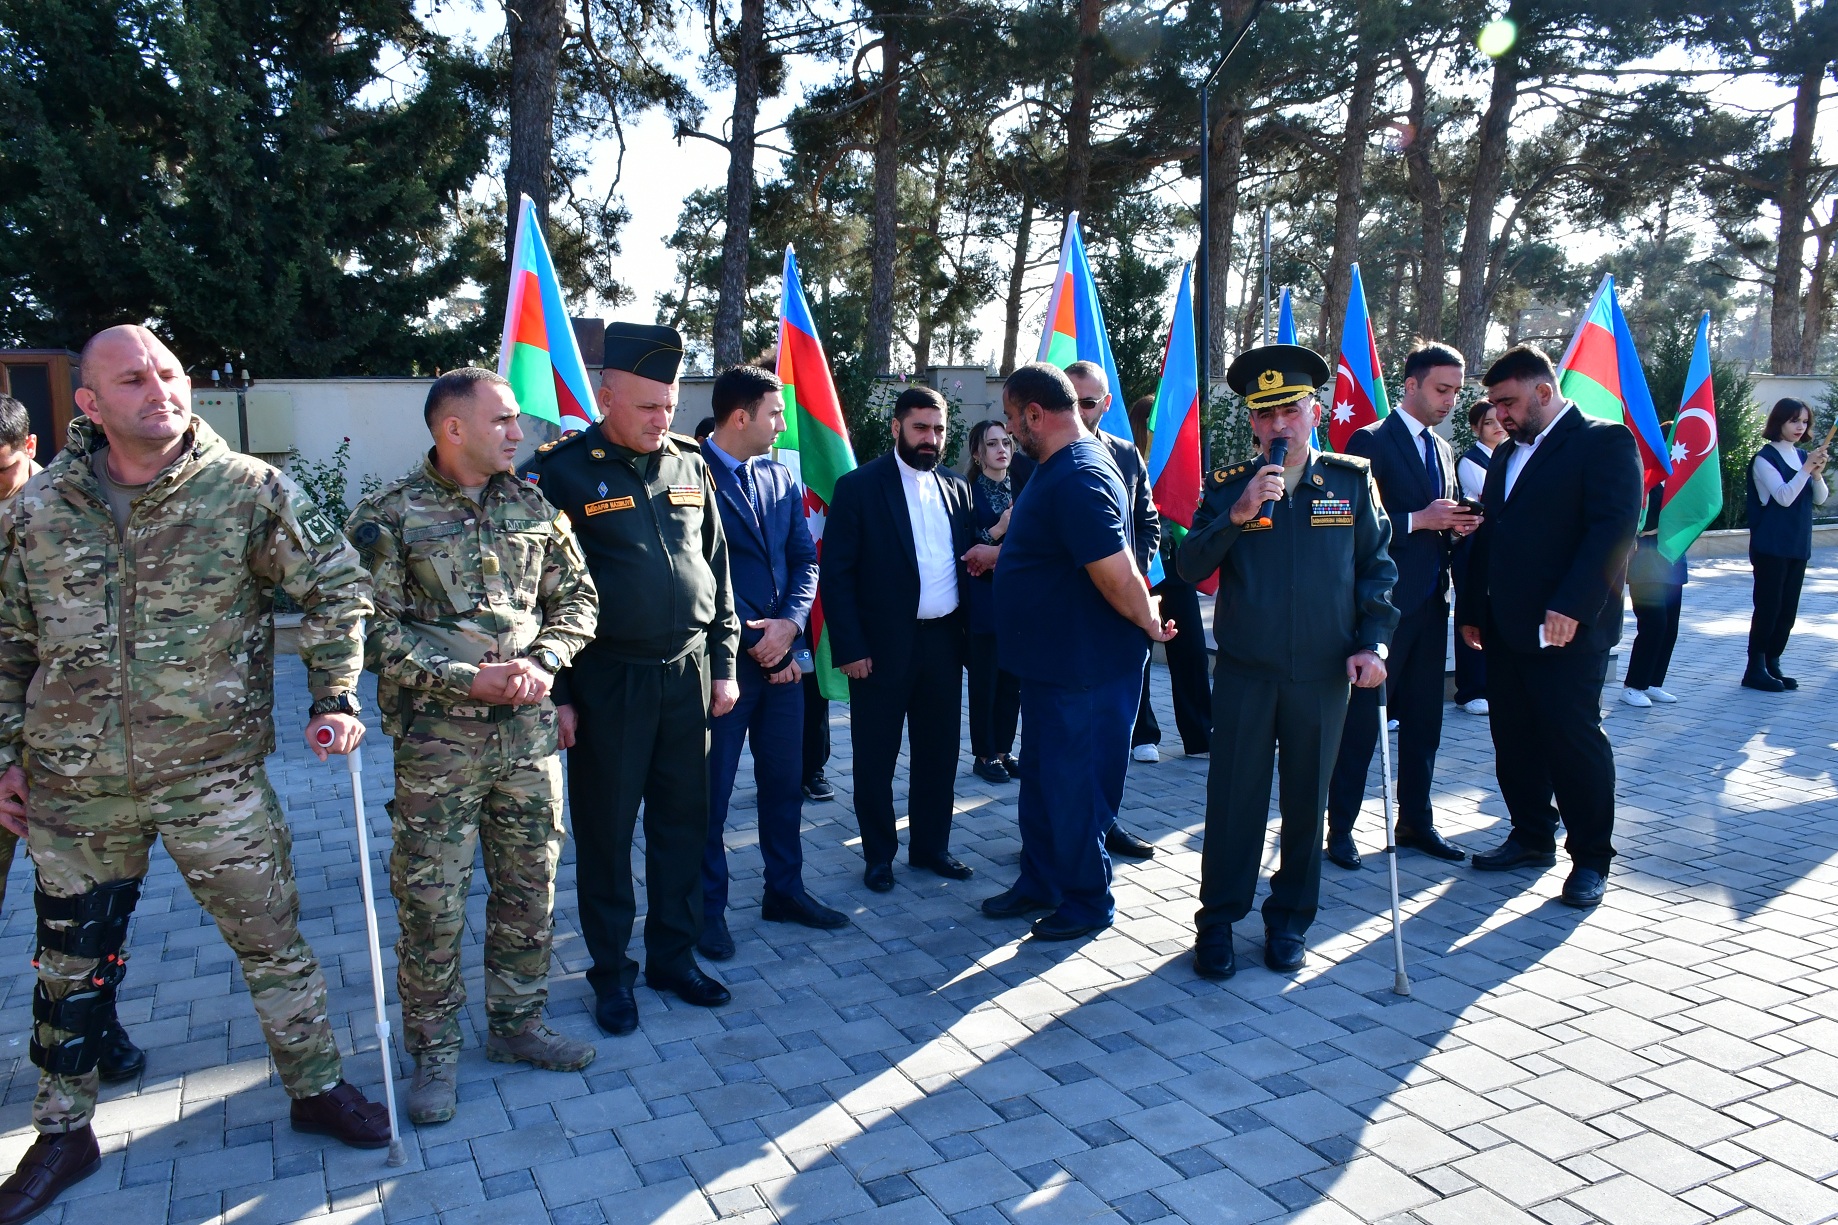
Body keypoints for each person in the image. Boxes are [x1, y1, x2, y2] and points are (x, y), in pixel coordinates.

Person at [0, 326, 391, 1221]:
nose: (161, 390)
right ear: (90, 404)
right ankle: (63, 1130)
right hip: (74, 784)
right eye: (133, 379)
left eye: (169, 372)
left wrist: (334, 693)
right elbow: (9, 640)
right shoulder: (37, 508)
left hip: (214, 778)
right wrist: (3, 757)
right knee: (69, 959)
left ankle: (315, 1085)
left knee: (271, 939)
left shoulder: (249, 489)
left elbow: (337, 585)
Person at [346, 368, 601, 1126]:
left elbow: (578, 598)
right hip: (439, 748)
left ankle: (517, 1024)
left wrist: (544, 661)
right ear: (452, 428)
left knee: (530, 887)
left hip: (528, 740)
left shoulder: (533, 505)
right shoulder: (389, 517)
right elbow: (363, 629)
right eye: (503, 421)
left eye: (516, 420)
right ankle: (434, 1052)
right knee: (432, 903)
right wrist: (464, 679)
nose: (518, 433)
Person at [527, 322, 741, 1036]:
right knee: (608, 833)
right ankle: (612, 974)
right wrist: (559, 694)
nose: (661, 419)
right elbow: (535, 596)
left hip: (687, 675)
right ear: (607, 396)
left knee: (683, 824)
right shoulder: (560, 472)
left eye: (670, 404)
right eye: (648, 405)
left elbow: (718, 569)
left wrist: (724, 663)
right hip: (608, 680)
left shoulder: (689, 463)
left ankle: (673, 958)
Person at [1177, 343, 1397, 980]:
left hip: (1324, 674)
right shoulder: (1228, 486)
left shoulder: (1351, 481)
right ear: (1251, 421)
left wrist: (1373, 642)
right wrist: (1239, 514)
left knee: (1306, 802)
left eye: (1291, 409)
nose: (1279, 424)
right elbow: (1189, 567)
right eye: (1265, 412)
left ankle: (1291, 920)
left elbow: (1377, 570)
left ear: (1315, 412)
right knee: (1234, 802)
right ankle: (1218, 921)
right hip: (1247, 672)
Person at [980, 364, 1176, 939]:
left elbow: (1116, 572)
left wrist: (1149, 620)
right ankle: (1041, 881)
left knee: (1077, 789)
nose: (1009, 430)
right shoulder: (1059, 466)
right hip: (1054, 667)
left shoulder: (1080, 475)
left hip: (1086, 669)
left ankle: (1088, 902)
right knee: (1044, 783)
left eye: (1012, 418)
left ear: (1035, 414)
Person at [1456, 344, 1642, 909]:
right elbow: (1492, 535)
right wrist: (1472, 609)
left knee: (1572, 741)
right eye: (1494, 404)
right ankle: (1531, 835)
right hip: (1505, 626)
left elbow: (1612, 531)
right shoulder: (1505, 454)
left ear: (1543, 391)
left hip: (1569, 628)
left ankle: (1591, 859)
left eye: (1509, 402)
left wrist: (1573, 606)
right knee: (1513, 737)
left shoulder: (1604, 441)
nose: (1500, 414)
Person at [0, 396, 145, 1093]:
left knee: (80, 915)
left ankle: (96, 1026)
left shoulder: (67, 511)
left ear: (28, 447)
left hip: (64, 753)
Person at [698, 365, 846, 961]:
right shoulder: (690, 474)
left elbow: (804, 560)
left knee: (784, 785)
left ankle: (784, 891)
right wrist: (752, 641)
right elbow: (694, 574)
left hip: (782, 660)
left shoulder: (779, 475)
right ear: (741, 417)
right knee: (710, 797)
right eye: (775, 413)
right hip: (722, 670)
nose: (782, 424)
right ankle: (706, 911)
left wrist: (789, 630)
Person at [1325, 343, 1477, 870]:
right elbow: (1348, 524)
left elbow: (1437, 522)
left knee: (1425, 723)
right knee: (1361, 725)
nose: (1450, 400)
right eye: (1442, 389)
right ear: (1410, 385)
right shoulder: (1370, 440)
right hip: (1382, 609)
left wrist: (1456, 525)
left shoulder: (1443, 448)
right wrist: (1417, 520)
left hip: (1432, 603)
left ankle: (1415, 821)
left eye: (1456, 391)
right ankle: (1340, 828)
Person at [819, 386, 977, 892]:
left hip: (944, 642)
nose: (931, 438)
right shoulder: (859, 487)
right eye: (920, 428)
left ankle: (931, 847)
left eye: (938, 429)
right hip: (879, 648)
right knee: (875, 757)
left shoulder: (957, 488)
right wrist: (850, 647)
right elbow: (836, 575)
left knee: (939, 753)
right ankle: (879, 856)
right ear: (896, 427)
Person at [1063, 361, 1159, 861]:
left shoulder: (1125, 454)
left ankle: (1105, 823)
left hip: (1120, 616)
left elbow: (1147, 521)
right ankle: (1057, 837)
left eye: (1089, 402)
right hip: (1066, 621)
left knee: (1113, 733)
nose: (1079, 410)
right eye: (1070, 399)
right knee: (1064, 739)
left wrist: (1128, 579)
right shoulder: (1036, 456)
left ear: (1105, 404)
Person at [1126, 395, 1212, 763]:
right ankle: (1142, 734)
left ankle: (1200, 733)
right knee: (1140, 651)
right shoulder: (1127, 462)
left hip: (1176, 566)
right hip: (1140, 568)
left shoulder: (1179, 463)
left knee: (1190, 649)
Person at [1741, 397, 1828, 692]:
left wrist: (1816, 473)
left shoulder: (1802, 456)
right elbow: (1784, 497)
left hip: (1797, 545)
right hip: (1771, 546)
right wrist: (1805, 469)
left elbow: (1820, 499)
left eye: (1804, 421)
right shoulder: (1764, 459)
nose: (1800, 427)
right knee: (1768, 607)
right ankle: (1755, 668)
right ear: (1779, 422)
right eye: (1794, 421)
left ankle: (1772, 661)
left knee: (1787, 611)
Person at [966, 418, 1023, 784]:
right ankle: (984, 754)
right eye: (991, 444)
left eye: (1005, 442)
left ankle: (1004, 749)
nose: (1001, 449)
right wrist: (1000, 528)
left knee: (1011, 680)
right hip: (983, 598)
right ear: (977, 453)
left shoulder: (1024, 486)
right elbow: (966, 546)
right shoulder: (967, 493)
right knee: (985, 680)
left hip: (1017, 599)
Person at [1452, 399, 1506, 716]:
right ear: (1475, 428)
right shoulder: (1470, 462)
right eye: (1488, 422)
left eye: (1500, 419)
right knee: (1471, 613)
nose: (1497, 426)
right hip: (1472, 548)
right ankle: (1470, 689)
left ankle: (1491, 684)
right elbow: (1498, 501)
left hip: (1499, 549)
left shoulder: (1511, 455)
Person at [1623, 455, 1687, 707]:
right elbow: (1639, 520)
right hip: (1646, 557)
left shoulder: (1681, 478)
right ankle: (1633, 685)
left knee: (1670, 625)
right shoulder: (1644, 476)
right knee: (1654, 623)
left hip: (1672, 556)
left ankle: (1652, 682)